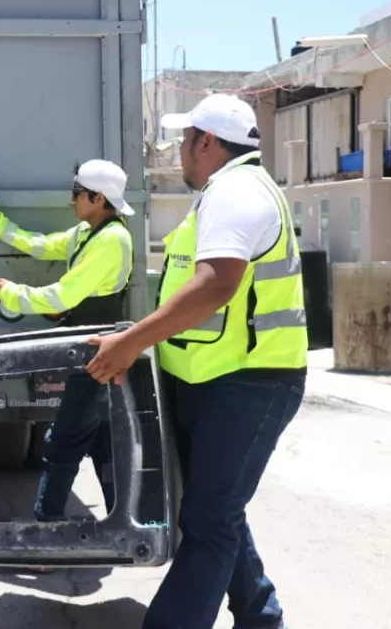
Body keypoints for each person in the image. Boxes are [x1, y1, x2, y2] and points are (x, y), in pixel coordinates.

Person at [83, 92, 306, 629]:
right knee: (216, 512)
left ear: (207, 142)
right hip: (211, 381)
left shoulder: (237, 193)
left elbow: (215, 286)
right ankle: (261, 617)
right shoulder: (220, 193)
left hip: (249, 385)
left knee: (208, 520)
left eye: (184, 141)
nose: (180, 151)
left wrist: (133, 341)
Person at [0, 159, 135, 528]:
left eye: (76, 194)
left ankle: (48, 538)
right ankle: (125, 526)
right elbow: (38, 244)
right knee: (102, 444)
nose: (71, 202)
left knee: (61, 444)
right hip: (89, 354)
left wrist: (11, 295)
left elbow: (61, 297)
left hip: (96, 358)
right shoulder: (87, 234)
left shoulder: (112, 239)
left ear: (98, 199)